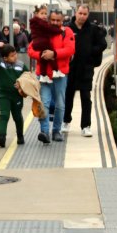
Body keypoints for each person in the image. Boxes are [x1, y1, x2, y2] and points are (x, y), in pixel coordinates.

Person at [28, 8, 75, 144]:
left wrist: (53, 54)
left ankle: (56, 131)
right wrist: (42, 55)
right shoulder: (42, 31)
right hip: (44, 75)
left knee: (60, 104)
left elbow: (70, 49)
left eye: (58, 20)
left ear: (62, 20)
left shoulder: (67, 32)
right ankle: (44, 131)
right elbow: (31, 49)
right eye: (53, 20)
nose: (55, 22)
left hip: (60, 74)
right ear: (49, 19)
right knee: (44, 103)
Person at [63, 4, 108, 137]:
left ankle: (86, 125)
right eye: (80, 13)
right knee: (68, 95)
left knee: (86, 97)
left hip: (86, 68)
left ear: (88, 15)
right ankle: (66, 121)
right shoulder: (67, 28)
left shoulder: (93, 29)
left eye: (85, 14)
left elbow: (103, 44)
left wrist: (91, 52)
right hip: (70, 68)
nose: (82, 16)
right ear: (76, 13)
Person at [0, 47, 27, 147]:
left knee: (17, 116)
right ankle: (2, 136)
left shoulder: (21, 65)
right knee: (4, 115)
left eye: (15, 54)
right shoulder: (0, 64)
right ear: (5, 58)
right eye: (12, 56)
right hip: (4, 95)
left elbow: (28, 77)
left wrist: (21, 84)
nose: (15, 57)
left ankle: (20, 136)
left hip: (17, 96)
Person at [29, 5, 62, 81]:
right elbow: (49, 29)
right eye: (42, 13)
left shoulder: (34, 22)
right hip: (43, 42)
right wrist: (60, 31)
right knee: (51, 54)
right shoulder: (40, 22)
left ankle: (43, 76)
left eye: (45, 13)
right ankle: (55, 71)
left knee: (43, 60)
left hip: (37, 43)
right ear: (37, 14)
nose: (44, 15)